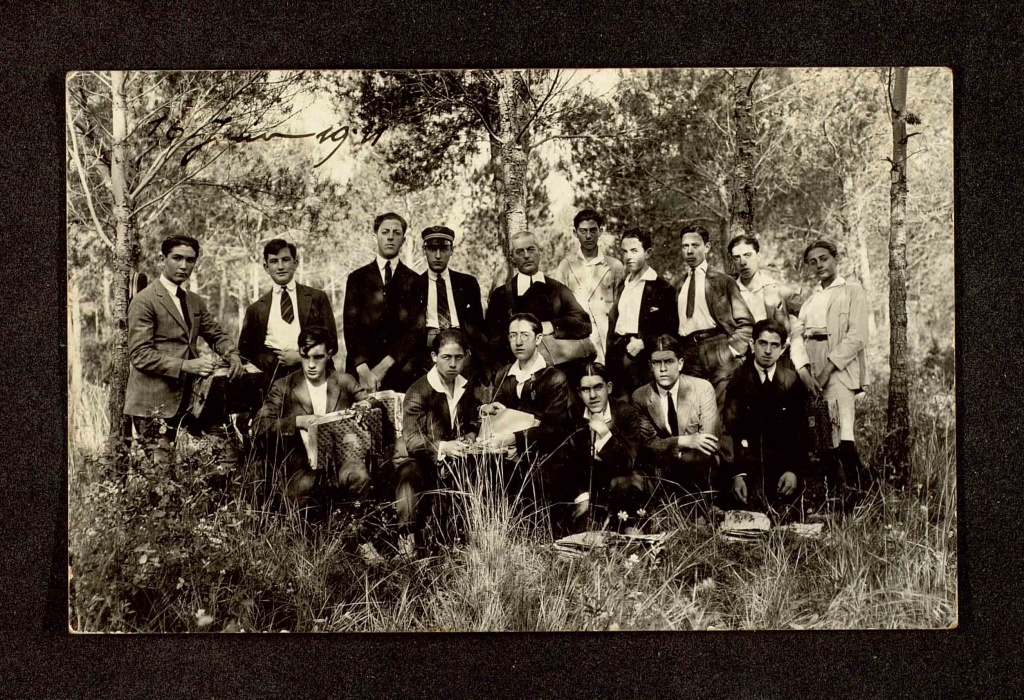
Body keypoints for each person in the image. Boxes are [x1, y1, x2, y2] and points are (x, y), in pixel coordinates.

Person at [123, 234, 245, 465]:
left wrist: (232, 354)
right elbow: (139, 355)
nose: (183, 265)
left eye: (190, 260)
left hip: (194, 398)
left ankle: (214, 500)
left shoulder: (193, 301)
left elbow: (215, 334)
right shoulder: (144, 300)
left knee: (228, 455)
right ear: (162, 259)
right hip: (153, 403)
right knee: (161, 473)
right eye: (177, 258)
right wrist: (186, 365)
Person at [251, 326, 369, 505]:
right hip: (301, 464)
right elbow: (259, 425)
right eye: (305, 357)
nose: (311, 364)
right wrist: (298, 421)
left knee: (359, 476)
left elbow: (371, 402)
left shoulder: (345, 381)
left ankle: (353, 526)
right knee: (301, 492)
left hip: (341, 459)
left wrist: (365, 405)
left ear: (329, 354)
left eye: (318, 357)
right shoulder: (284, 386)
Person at [478, 313, 576, 527]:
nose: (518, 342)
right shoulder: (504, 374)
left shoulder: (554, 377)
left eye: (524, 335)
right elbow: (500, 413)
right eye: (513, 336)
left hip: (545, 454)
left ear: (539, 338)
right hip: (509, 451)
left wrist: (512, 438)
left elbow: (554, 429)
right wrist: (491, 410)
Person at [790, 240, 870, 497]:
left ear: (835, 259)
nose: (818, 265)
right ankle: (835, 494)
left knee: (842, 435)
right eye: (812, 262)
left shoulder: (852, 291)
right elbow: (796, 337)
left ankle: (866, 493)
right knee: (821, 436)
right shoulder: (811, 300)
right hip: (810, 367)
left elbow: (857, 336)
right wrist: (803, 371)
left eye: (823, 258)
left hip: (838, 367)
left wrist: (825, 371)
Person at [397, 328, 481, 539]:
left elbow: (472, 419)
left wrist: (470, 436)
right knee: (410, 473)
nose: (453, 364)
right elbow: (413, 440)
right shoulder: (419, 391)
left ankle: (468, 532)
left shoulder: (465, 386)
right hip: (420, 458)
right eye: (446, 357)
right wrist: (445, 447)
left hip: (454, 458)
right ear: (434, 357)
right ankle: (406, 537)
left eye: (458, 358)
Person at [722, 319, 809, 519]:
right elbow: (729, 430)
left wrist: (793, 470)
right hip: (748, 468)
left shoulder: (791, 381)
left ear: (782, 348)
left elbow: (800, 431)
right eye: (762, 343)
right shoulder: (738, 380)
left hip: (782, 469)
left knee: (788, 518)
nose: (768, 351)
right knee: (743, 517)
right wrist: (737, 474)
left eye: (774, 345)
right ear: (752, 345)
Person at [484, 231, 592, 374]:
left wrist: (552, 325)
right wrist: (501, 373)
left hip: (558, 371)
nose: (526, 255)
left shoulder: (557, 289)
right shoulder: (501, 295)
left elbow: (584, 323)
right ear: (512, 258)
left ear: (540, 252)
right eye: (519, 252)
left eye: (531, 249)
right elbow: (492, 340)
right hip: (518, 374)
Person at [238, 239, 338, 392]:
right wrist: (268, 363)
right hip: (273, 381)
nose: (280, 266)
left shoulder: (317, 298)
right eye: (274, 261)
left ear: (295, 263)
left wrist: (301, 357)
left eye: (285, 260)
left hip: (315, 373)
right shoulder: (256, 309)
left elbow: (332, 343)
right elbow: (245, 353)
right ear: (266, 267)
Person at [631, 335, 720, 506]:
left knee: (700, 460)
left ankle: (700, 517)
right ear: (650, 366)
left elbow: (709, 441)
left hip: (698, 465)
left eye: (669, 362)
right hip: (664, 467)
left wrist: (673, 447)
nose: (663, 368)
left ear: (680, 363)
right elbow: (648, 443)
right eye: (657, 363)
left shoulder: (702, 388)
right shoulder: (640, 396)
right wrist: (684, 441)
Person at [675, 224, 755, 412]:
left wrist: (732, 351)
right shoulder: (678, 284)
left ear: (707, 247)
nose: (689, 251)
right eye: (685, 246)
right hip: (689, 352)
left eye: (695, 245)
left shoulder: (722, 281)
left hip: (718, 349)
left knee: (721, 413)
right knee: (693, 412)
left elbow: (747, 323)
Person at [343, 212, 423, 393]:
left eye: (397, 233)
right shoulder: (357, 278)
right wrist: (363, 369)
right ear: (375, 236)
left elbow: (415, 330)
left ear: (403, 240)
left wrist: (385, 366)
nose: (390, 237)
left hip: (399, 370)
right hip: (361, 371)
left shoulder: (415, 280)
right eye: (385, 232)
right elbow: (350, 327)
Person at [569, 362, 650, 529]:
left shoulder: (625, 413)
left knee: (624, 485)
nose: (592, 395)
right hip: (590, 489)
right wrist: (582, 496)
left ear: (609, 387)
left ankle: (630, 530)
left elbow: (628, 462)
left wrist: (605, 434)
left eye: (598, 387)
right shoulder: (573, 415)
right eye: (586, 389)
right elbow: (568, 461)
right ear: (579, 392)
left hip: (622, 485)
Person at [605, 227, 678, 397]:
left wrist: (643, 342)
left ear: (648, 253)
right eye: (624, 251)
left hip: (643, 359)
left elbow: (670, 329)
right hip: (617, 356)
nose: (628, 257)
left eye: (634, 251)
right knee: (620, 409)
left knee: (643, 407)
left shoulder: (662, 288)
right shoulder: (623, 285)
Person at [412, 226, 487, 381]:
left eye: (444, 249)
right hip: (427, 350)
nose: (438, 255)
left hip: (461, 348)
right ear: (424, 250)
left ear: (451, 250)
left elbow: (478, 327)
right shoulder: (413, 285)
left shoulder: (467, 283)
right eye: (432, 249)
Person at [550, 209, 624, 365]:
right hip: (578, 338)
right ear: (575, 233)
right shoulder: (566, 266)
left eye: (593, 230)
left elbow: (621, 306)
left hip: (606, 338)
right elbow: (558, 309)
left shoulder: (614, 266)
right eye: (583, 231)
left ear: (600, 231)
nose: (588, 236)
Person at [728, 234, 804, 330]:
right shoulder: (729, 292)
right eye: (736, 257)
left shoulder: (778, 289)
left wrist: (796, 340)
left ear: (758, 256)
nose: (743, 262)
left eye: (748, 255)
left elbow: (811, 314)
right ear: (732, 261)